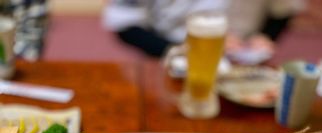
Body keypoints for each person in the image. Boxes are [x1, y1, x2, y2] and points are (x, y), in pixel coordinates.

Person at [102, 0, 305, 58]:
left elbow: (283, 9)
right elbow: (123, 24)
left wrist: (265, 37)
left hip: (244, 57)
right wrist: (179, 50)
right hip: (168, 54)